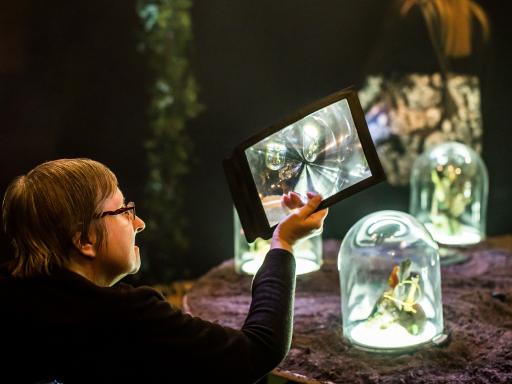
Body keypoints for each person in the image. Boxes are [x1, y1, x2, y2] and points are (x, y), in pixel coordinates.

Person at [0, 158, 328, 383]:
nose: (139, 224)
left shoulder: (17, 293)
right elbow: (257, 351)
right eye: (124, 211)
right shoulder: (122, 317)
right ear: (84, 239)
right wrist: (284, 241)